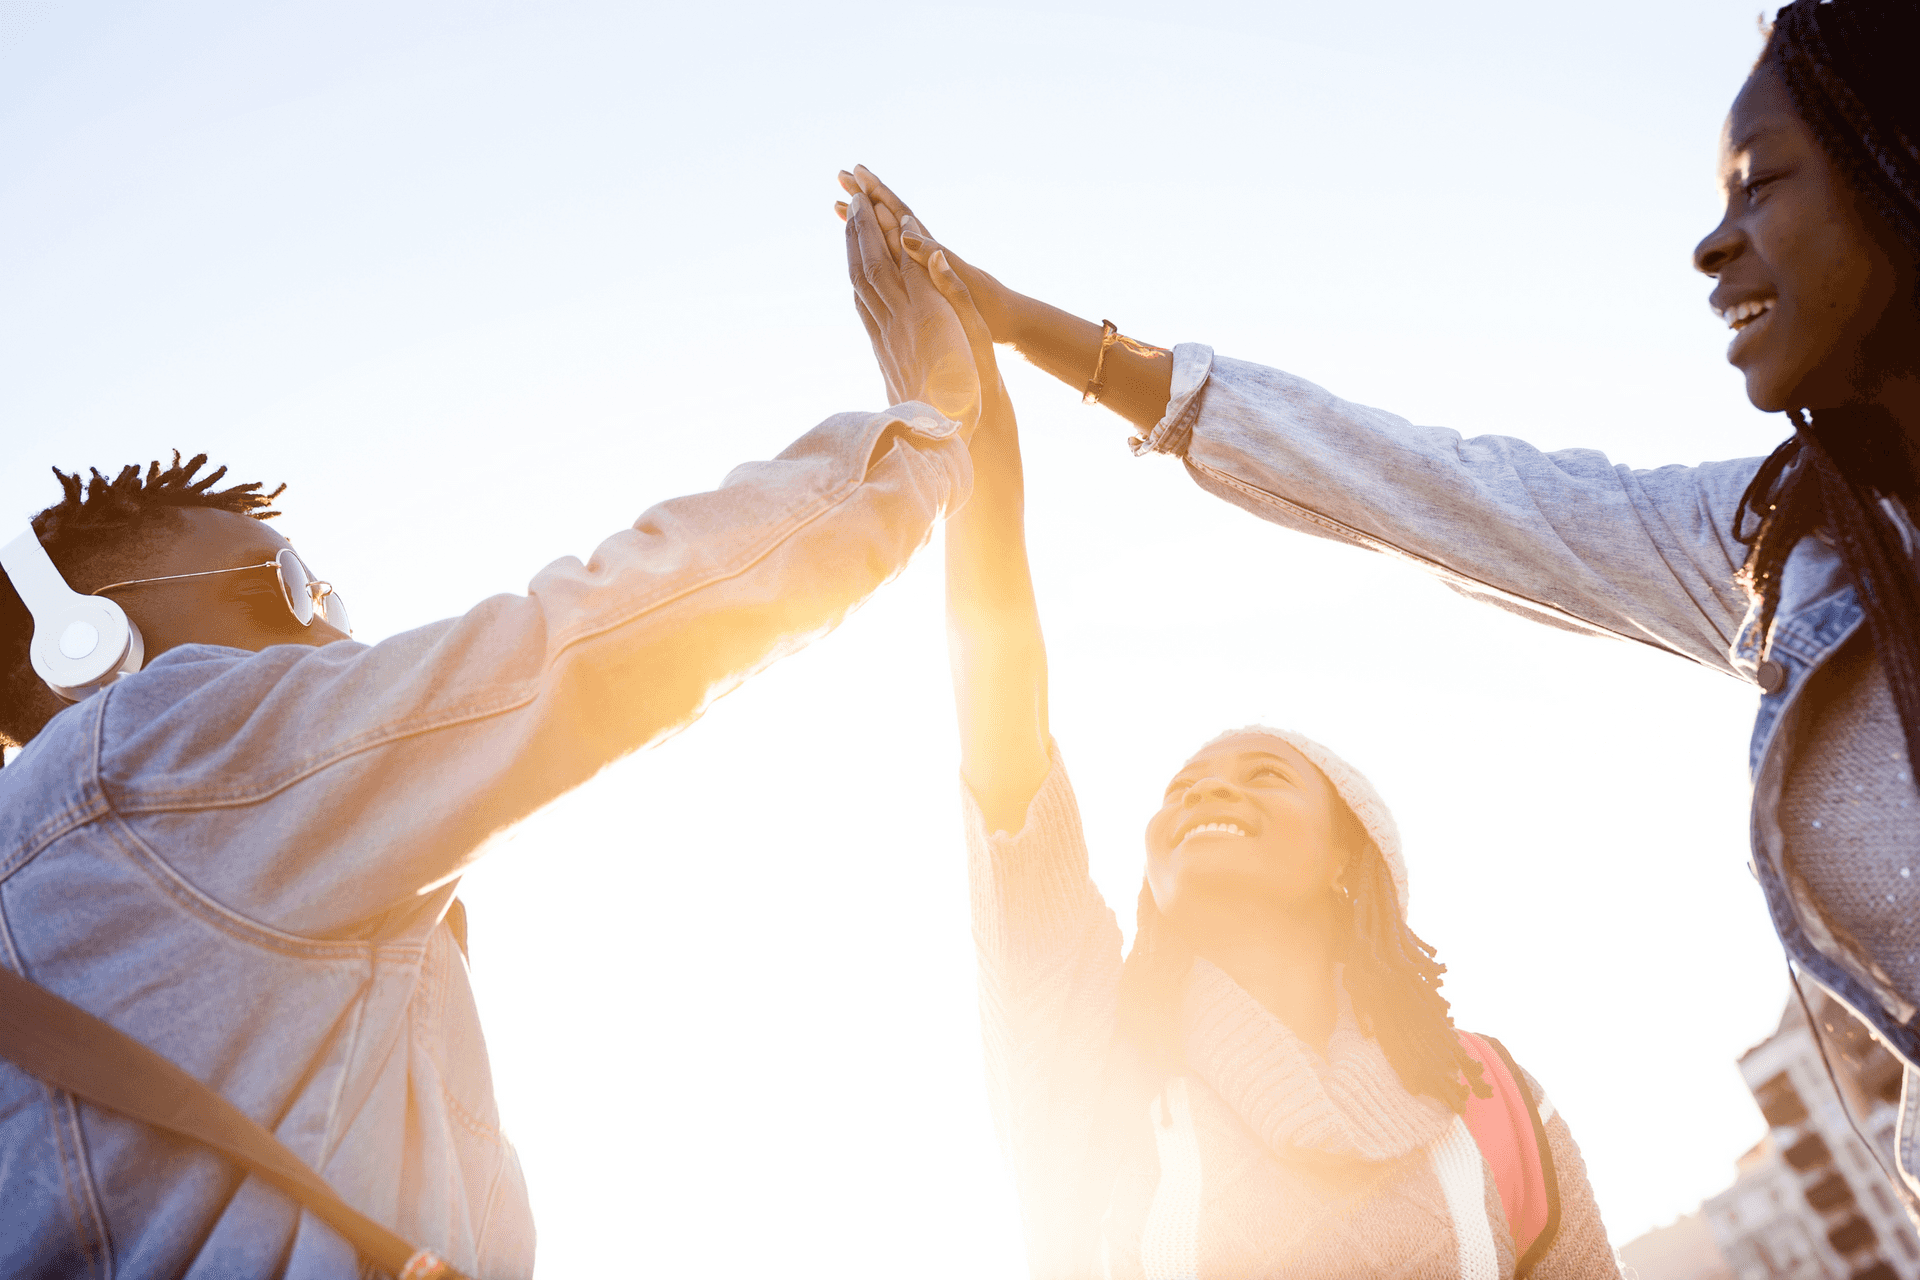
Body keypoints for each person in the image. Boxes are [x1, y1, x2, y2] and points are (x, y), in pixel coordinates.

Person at [840, 0, 1920, 1203]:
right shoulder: (1794, 548)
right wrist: (1006, 337)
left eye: (1761, 184)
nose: (1714, 246)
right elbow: (1440, 492)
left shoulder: (1493, 1118)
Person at [0, 200, 976, 1280]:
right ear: (84, 636)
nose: (337, 628)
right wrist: (933, 423)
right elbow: (592, 641)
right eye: (290, 585)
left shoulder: (175, 908)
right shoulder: (158, 757)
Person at [874, 186, 1619, 1278]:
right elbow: (1003, 711)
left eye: (1265, 775)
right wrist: (971, 403)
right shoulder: (1090, 1050)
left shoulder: (1494, 1098)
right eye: (1179, 788)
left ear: (1350, 856)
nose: (1204, 793)